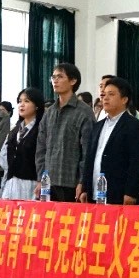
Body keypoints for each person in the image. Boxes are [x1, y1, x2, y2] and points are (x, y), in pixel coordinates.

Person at [80, 77, 139, 204]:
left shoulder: (134, 126)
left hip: (118, 194)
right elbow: (89, 159)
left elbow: (137, 162)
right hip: (93, 193)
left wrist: (131, 192)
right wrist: (85, 188)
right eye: (104, 94)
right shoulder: (97, 126)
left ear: (124, 99)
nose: (105, 98)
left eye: (111, 94)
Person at [35, 63, 95, 202]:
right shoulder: (49, 112)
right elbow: (41, 148)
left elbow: (87, 151)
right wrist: (40, 178)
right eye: (53, 77)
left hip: (71, 183)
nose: (55, 81)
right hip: (48, 182)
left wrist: (82, 181)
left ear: (73, 81)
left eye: (60, 77)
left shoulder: (84, 112)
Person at [0, 88, 44, 201]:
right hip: (11, 183)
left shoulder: (41, 129)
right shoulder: (15, 129)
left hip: (31, 184)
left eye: (27, 101)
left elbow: (44, 157)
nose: (22, 105)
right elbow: (4, 157)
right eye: (20, 101)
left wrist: (42, 181)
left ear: (37, 105)